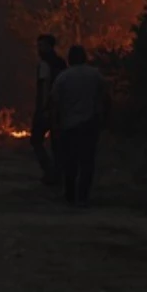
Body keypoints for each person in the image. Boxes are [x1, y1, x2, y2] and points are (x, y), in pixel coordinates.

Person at [50, 45, 111, 207]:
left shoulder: (63, 77)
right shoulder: (95, 75)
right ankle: (83, 195)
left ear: (70, 59)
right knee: (87, 162)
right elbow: (105, 97)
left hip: (69, 125)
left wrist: (55, 125)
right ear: (85, 57)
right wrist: (104, 118)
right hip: (90, 124)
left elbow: (55, 103)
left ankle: (70, 195)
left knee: (70, 161)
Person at [31, 34, 67, 185]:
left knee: (36, 139)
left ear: (49, 46)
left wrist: (43, 107)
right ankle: (58, 174)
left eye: (42, 46)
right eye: (38, 46)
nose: (39, 49)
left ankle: (50, 172)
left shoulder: (44, 64)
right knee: (56, 143)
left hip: (48, 108)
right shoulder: (61, 63)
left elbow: (45, 86)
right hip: (61, 108)